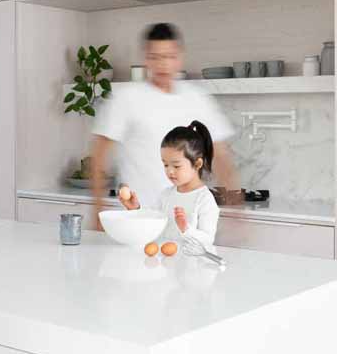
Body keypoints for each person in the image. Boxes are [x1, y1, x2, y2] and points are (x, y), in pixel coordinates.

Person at [90, 22, 237, 216]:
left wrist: (237, 208)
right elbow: (99, 156)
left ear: (180, 58)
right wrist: (98, 211)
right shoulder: (126, 97)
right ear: (146, 59)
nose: (163, 64)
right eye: (155, 57)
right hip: (137, 217)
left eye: (169, 56)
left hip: (186, 219)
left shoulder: (197, 99)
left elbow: (220, 155)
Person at [118, 121, 221, 246]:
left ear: (197, 164)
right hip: (163, 261)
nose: (169, 171)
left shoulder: (204, 199)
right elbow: (151, 221)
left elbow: (208, 240)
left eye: (176, 166)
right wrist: (135, 209)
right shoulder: (166, 195)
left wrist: (186, 229)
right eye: (165, 164)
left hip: (191, 264)